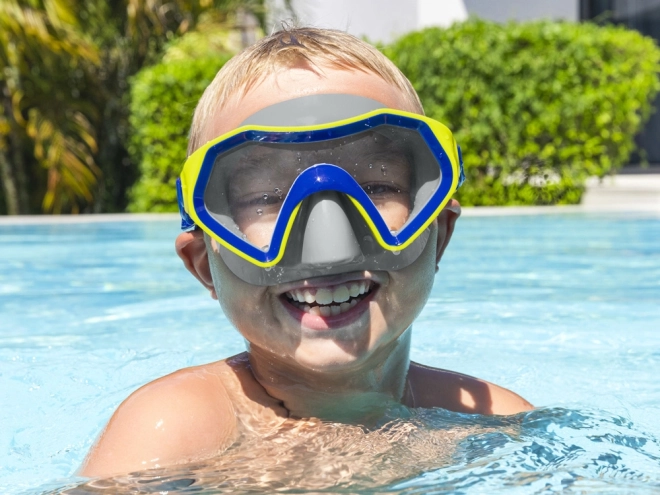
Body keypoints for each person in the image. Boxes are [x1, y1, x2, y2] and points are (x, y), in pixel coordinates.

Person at [80, 26, 533, 479]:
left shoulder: (496, 423)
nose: (329, 242)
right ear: (204, 266)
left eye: (376, 187)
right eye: (267, 199)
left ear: (440, 235)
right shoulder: (175, 429)